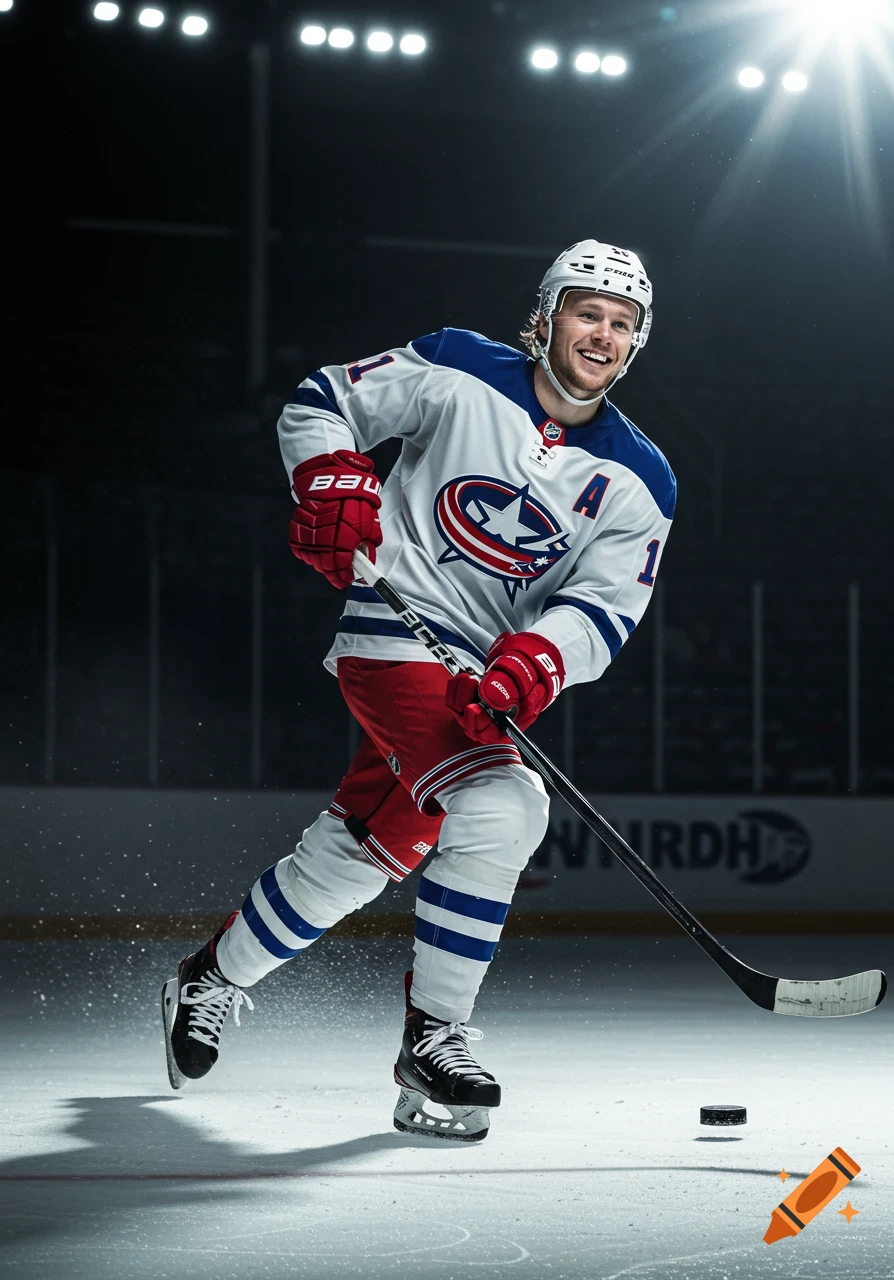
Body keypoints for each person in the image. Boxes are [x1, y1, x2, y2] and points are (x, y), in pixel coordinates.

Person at [162, 239, 676, 1142]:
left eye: (622, 322)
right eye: (587, 312)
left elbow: (603, 610)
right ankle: (433, 1038)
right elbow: (324, 401)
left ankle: (208, 978)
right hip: (392, 631)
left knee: (363, 853)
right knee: (506, 803)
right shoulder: (457, 365)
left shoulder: (644, 479)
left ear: (637, 343)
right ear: (548, 315)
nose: (602, 333)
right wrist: (328, 473)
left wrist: (535, 663)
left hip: (479, 681)